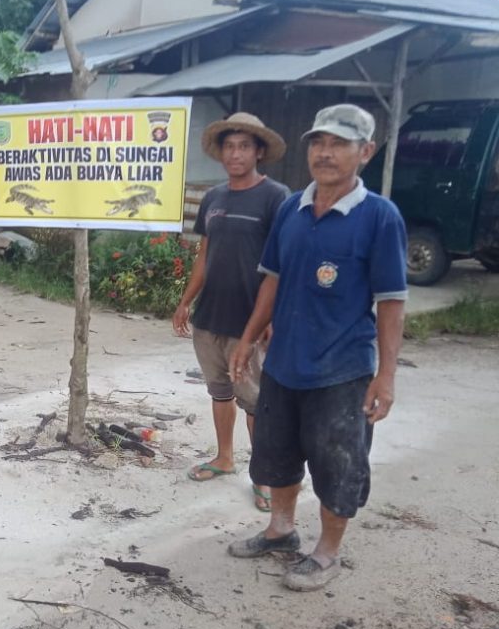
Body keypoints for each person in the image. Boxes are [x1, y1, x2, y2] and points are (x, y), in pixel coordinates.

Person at [226, 104, 407, 591]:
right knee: (276, 453)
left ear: (365, 152)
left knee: (337, 463)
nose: (325, 153)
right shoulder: (292, 207)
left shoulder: (379, 217)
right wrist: (247, 339)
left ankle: (327, 554)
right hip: (284, 363)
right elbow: (272, 280)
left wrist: (385, 376)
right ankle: (281, 529)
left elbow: (391, 303)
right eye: (318, 143)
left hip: (342, 369)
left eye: (339, 144)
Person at [172, 113, 289, 512]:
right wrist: (186, 300)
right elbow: (205, 255)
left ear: (258, 151)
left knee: (255, 401)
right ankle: (224, 457)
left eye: (243, 146)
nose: (235, 154)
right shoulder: (214, 198)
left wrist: (272, 317)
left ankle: (265, 475)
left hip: (250, 322)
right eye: (229, 146)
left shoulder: (275, 197)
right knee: (219, 392)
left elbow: (284, 262)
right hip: (210, 318)